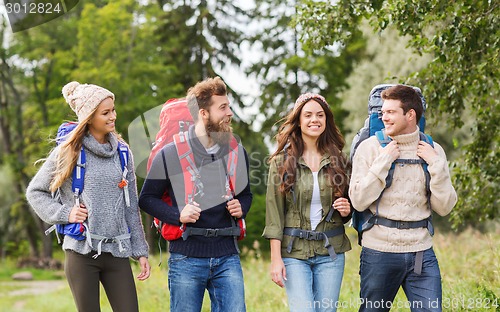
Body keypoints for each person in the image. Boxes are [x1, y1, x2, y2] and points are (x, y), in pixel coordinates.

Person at [26, 81, 150, 312]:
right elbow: (35, 192)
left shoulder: (123, 153)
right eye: (105, 112)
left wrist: (140, 250)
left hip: (117, 252)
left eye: (113, 109)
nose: (113, 116)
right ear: (89, 117)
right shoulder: (68, 151)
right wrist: (65, 213)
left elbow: (131, 206)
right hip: (81, 253)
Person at [139, 76, 252, 312]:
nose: (229, 113)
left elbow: (246, 195)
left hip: (227, 256)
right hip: (186, 258)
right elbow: (147, 199)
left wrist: (242, 206)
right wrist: (177, 215)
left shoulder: (236, 151)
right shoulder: (170, 154)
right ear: (203, 113)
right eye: (222, 107)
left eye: (228, 106)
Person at [349, 84, 458, 312]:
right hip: (378, 252)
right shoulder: (369, 149)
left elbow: (444, 207)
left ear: (410, 115)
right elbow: (358, 201)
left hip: (421, 252)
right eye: (382, 112)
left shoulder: (433, 150)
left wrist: (436, 165)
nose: (384, 117)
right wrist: (383, 161)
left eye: (390, 112)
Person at [263, 93, 352, 312]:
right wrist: (276, 260)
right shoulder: (281, 162)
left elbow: (349, 207)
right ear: (299, 121)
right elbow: (274, 215)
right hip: (294, 254)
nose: (315, 120)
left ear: (327, 120)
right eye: (308, 115)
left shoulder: (340, 160)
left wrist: (347, 209)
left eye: (320, 115)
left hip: (330, 253)